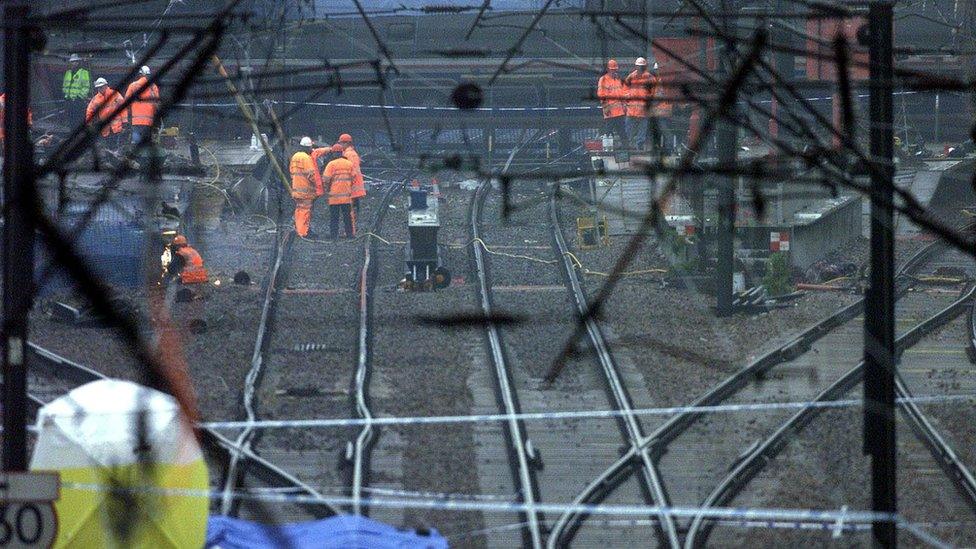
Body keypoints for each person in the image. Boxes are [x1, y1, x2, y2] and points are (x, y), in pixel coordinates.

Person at [624, 57, 659, 152]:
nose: (640, 68)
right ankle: (630, 144)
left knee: (642, 130)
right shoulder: (631, 76)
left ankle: (639, 145)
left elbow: (654, 91)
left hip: (643, 109)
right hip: (632, 109)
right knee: (629, 129)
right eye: (639, 66)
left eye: (642, 66)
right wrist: (627, 97)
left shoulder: (649, 78)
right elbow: (625, 89)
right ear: (636, 66)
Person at [289, 137, 319, 238]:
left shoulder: (295, 157)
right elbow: (311, 175)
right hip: (305, 191)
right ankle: (303, 232)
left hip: (296, 190)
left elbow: (292, 173)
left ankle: (299, 229)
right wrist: (318, 185)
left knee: (299, 210)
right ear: (307, 147)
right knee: (305, 212)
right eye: (311, 147)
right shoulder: (306, 158)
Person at [322, 150, 356, 239]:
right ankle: (350, 234)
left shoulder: (331, 164)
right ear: (342, 153)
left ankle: (333, 235)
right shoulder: (349, 164)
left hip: (334, 196)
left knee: (334, 217)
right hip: (346, 196)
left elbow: (325, 179)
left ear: (333, 154)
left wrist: (327, 189)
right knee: (347, 217)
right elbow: (354, 177)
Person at [124, 65, 160, 146]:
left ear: (140, 75)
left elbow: (126, 101)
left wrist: (127, 114)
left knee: (136, 139)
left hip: (136, 119)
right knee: (147, 141)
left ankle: (135, 154)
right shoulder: (153, 87)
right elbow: (157, 103)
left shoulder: (133, 86)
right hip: (149, 120)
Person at [86, 78, 126, 150]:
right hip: (105, 126)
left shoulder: (115, 94)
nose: (100, 89)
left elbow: (123, 106)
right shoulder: (96, 99)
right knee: (108, 145)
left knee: (117, 144)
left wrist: (125, 120)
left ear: (106, 85)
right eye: (98, 87)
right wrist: (89, 122)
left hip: (116, 125)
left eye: (101, 87)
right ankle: (109, 157)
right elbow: (90, 111)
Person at [596, 59, 627, 147]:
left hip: (619, 111)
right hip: (610, 111)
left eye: (615, 69)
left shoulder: (618, 79)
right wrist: (605, 107)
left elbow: (623, 93)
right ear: (608, 69)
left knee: (622, 131)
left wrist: (624, 105)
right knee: (608, 131)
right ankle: (607, 147)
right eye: (612, 69)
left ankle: (626, 148)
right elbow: (601, 94)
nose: (614, 71)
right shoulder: (603, 79)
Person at [335, 133, 365, 214]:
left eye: (341, 143)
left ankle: (352, 226)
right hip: (354, 186)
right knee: (352, 209)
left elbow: (352, 171)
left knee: (351, 211)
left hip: (352, 186)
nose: (340, 145)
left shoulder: (349, 154)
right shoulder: (351, 153)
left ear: (346, 143)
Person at [63, 53, 91, 128]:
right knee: (70, 119)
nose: (74, 63)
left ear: (78, 62)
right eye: (72, 62)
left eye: (75, 61)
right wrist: (66, 95)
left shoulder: (84, 73)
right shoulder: (68, 73)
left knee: (78, 119)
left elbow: (86, 87)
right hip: (69, 100)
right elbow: (65, 85)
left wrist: (79, 96)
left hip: (78, 100)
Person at [652, 62, 674, 154]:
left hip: (662, 112)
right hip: (664, 112)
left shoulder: (660, 82)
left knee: (665, 132)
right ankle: (665, 149)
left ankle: (668, 149)